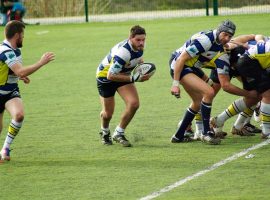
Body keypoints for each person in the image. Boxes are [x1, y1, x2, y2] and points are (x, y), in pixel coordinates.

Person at [169, 19, 236, 145]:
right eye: (225, 34)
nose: (227, 38)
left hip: (192, 66)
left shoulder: (219, 41)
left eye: (230, 36)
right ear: (219, 31)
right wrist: (175, 84)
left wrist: (231, 45)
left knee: (198, 100)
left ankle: (178, 135)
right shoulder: (205, 41)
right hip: (180, 65)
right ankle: (206, 133)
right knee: (209, 92)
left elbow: (225, 45)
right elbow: (181, 59)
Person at [0, 20, 55, 161]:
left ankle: (5, 148)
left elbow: (14, 71)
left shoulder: (16, 50)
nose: (23, 38)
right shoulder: (5, 51)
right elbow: (19, 71)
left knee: (19, 115)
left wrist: (21, 77)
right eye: (23, 35)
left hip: (10, 91)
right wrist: (41, 62)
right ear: (17, 35)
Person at [96, 25, 151, 147]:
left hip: (122, 74)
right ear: (130, 38)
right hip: (105, 77)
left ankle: (118, 133)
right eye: (138, 40)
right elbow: (111, 75)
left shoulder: (140, 46)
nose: (141, 43)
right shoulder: (123, 53)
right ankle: (105, 131)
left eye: (143, 40)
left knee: (134, 103)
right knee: (107, 114)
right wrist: (134, 78)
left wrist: (141, 65)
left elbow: (137, 58)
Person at [211, 40, 270, 139]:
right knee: (266, 95)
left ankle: (220, 120)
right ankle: (266, 131)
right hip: (247, 63)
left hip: (249, 63)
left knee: (256, 96)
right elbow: (226, 86)